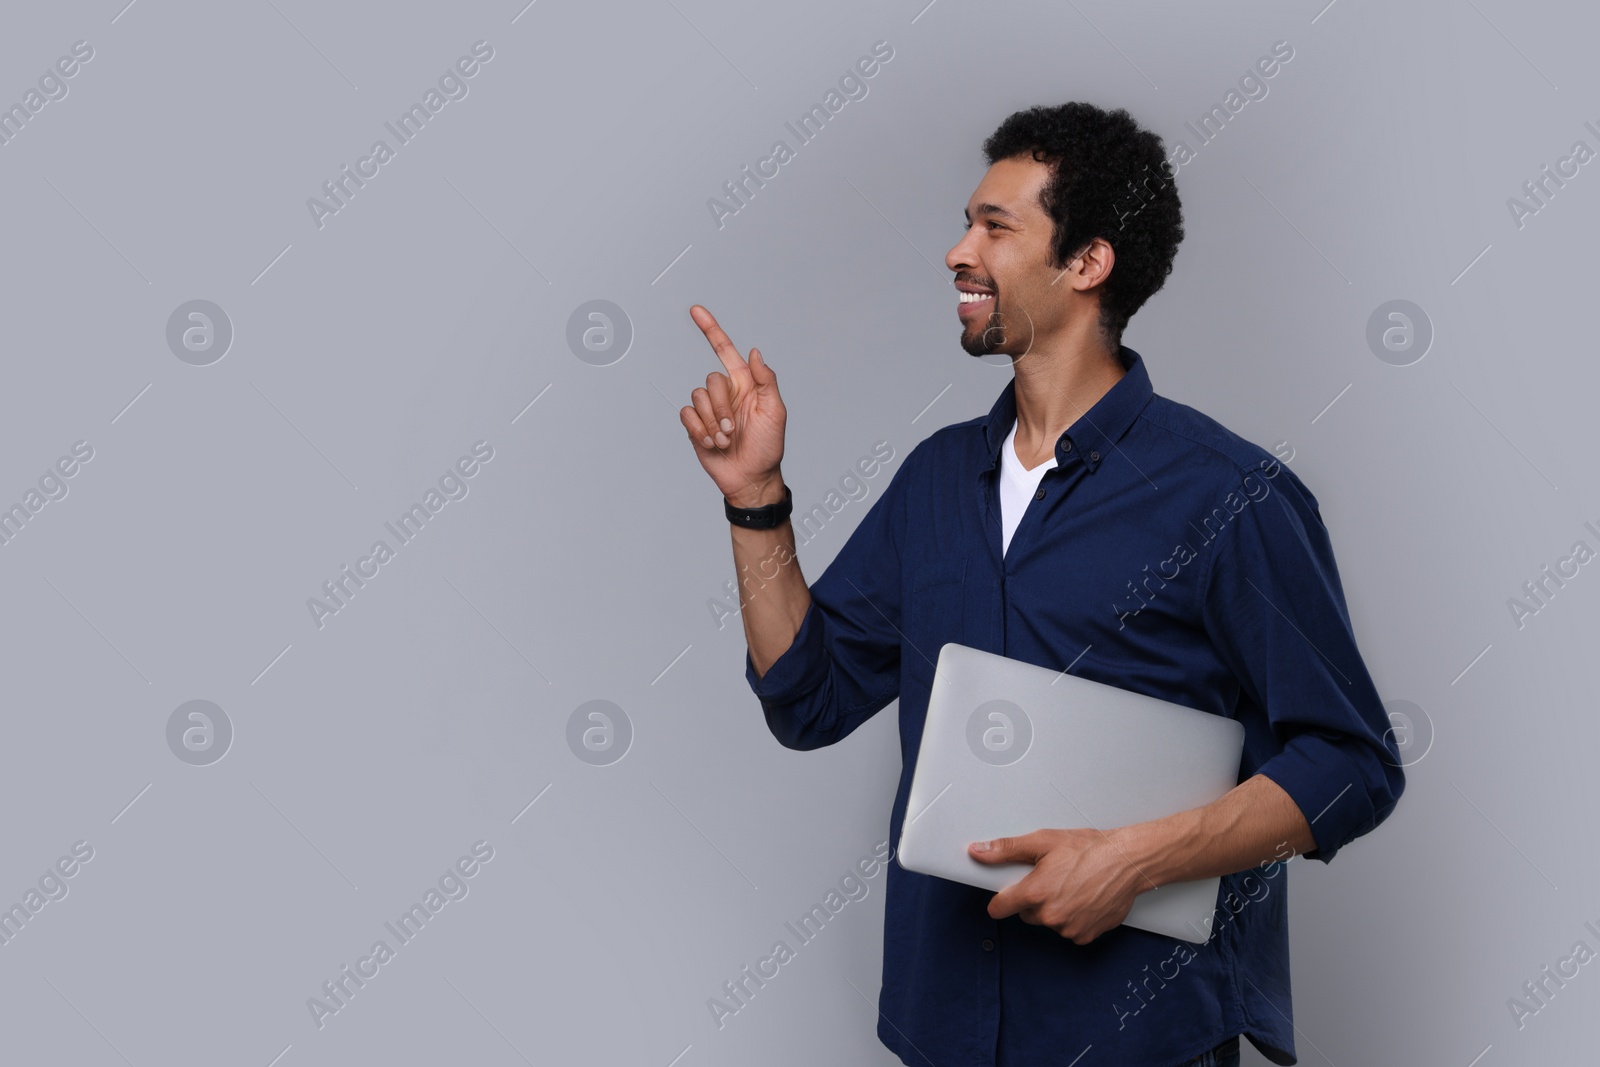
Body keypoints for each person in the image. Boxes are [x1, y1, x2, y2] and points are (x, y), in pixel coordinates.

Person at [679, 101, 1403, 1067]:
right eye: (965, 222)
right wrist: (757, 500)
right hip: (946, 1028)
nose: (955, 252)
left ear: (1087, 263)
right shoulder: (936, 478)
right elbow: (805, 696)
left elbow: (1353, 762)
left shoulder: (1229, 496)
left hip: (1140, 1036)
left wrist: (1133, 861)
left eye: (994, 226)